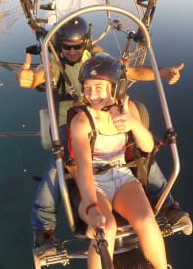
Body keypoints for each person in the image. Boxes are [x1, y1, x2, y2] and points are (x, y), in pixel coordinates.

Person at [17, 17, 192, 257]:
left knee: (142, 158)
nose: (71, 51)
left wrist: (162, 72)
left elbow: (129, 72)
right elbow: (40, 76)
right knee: (57, 167)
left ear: (85, 44)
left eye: (76, 46)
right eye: (66, 46)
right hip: (68, 124)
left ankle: (168, 205)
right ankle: (43, 230)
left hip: (107, 124)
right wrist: (29, 79)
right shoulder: (55, 63)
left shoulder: (98, 61)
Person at [71, 54, 167, 268]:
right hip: (94, 184)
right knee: (107, 229)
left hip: (122, 176)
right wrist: (93, 209)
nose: (91, 94)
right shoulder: (81, 122)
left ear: (116, 88)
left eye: (98, 87)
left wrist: (133, 123)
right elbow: (84, 168)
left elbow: (148, 147)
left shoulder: (128, 108)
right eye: (87, 87)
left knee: (147, 221)